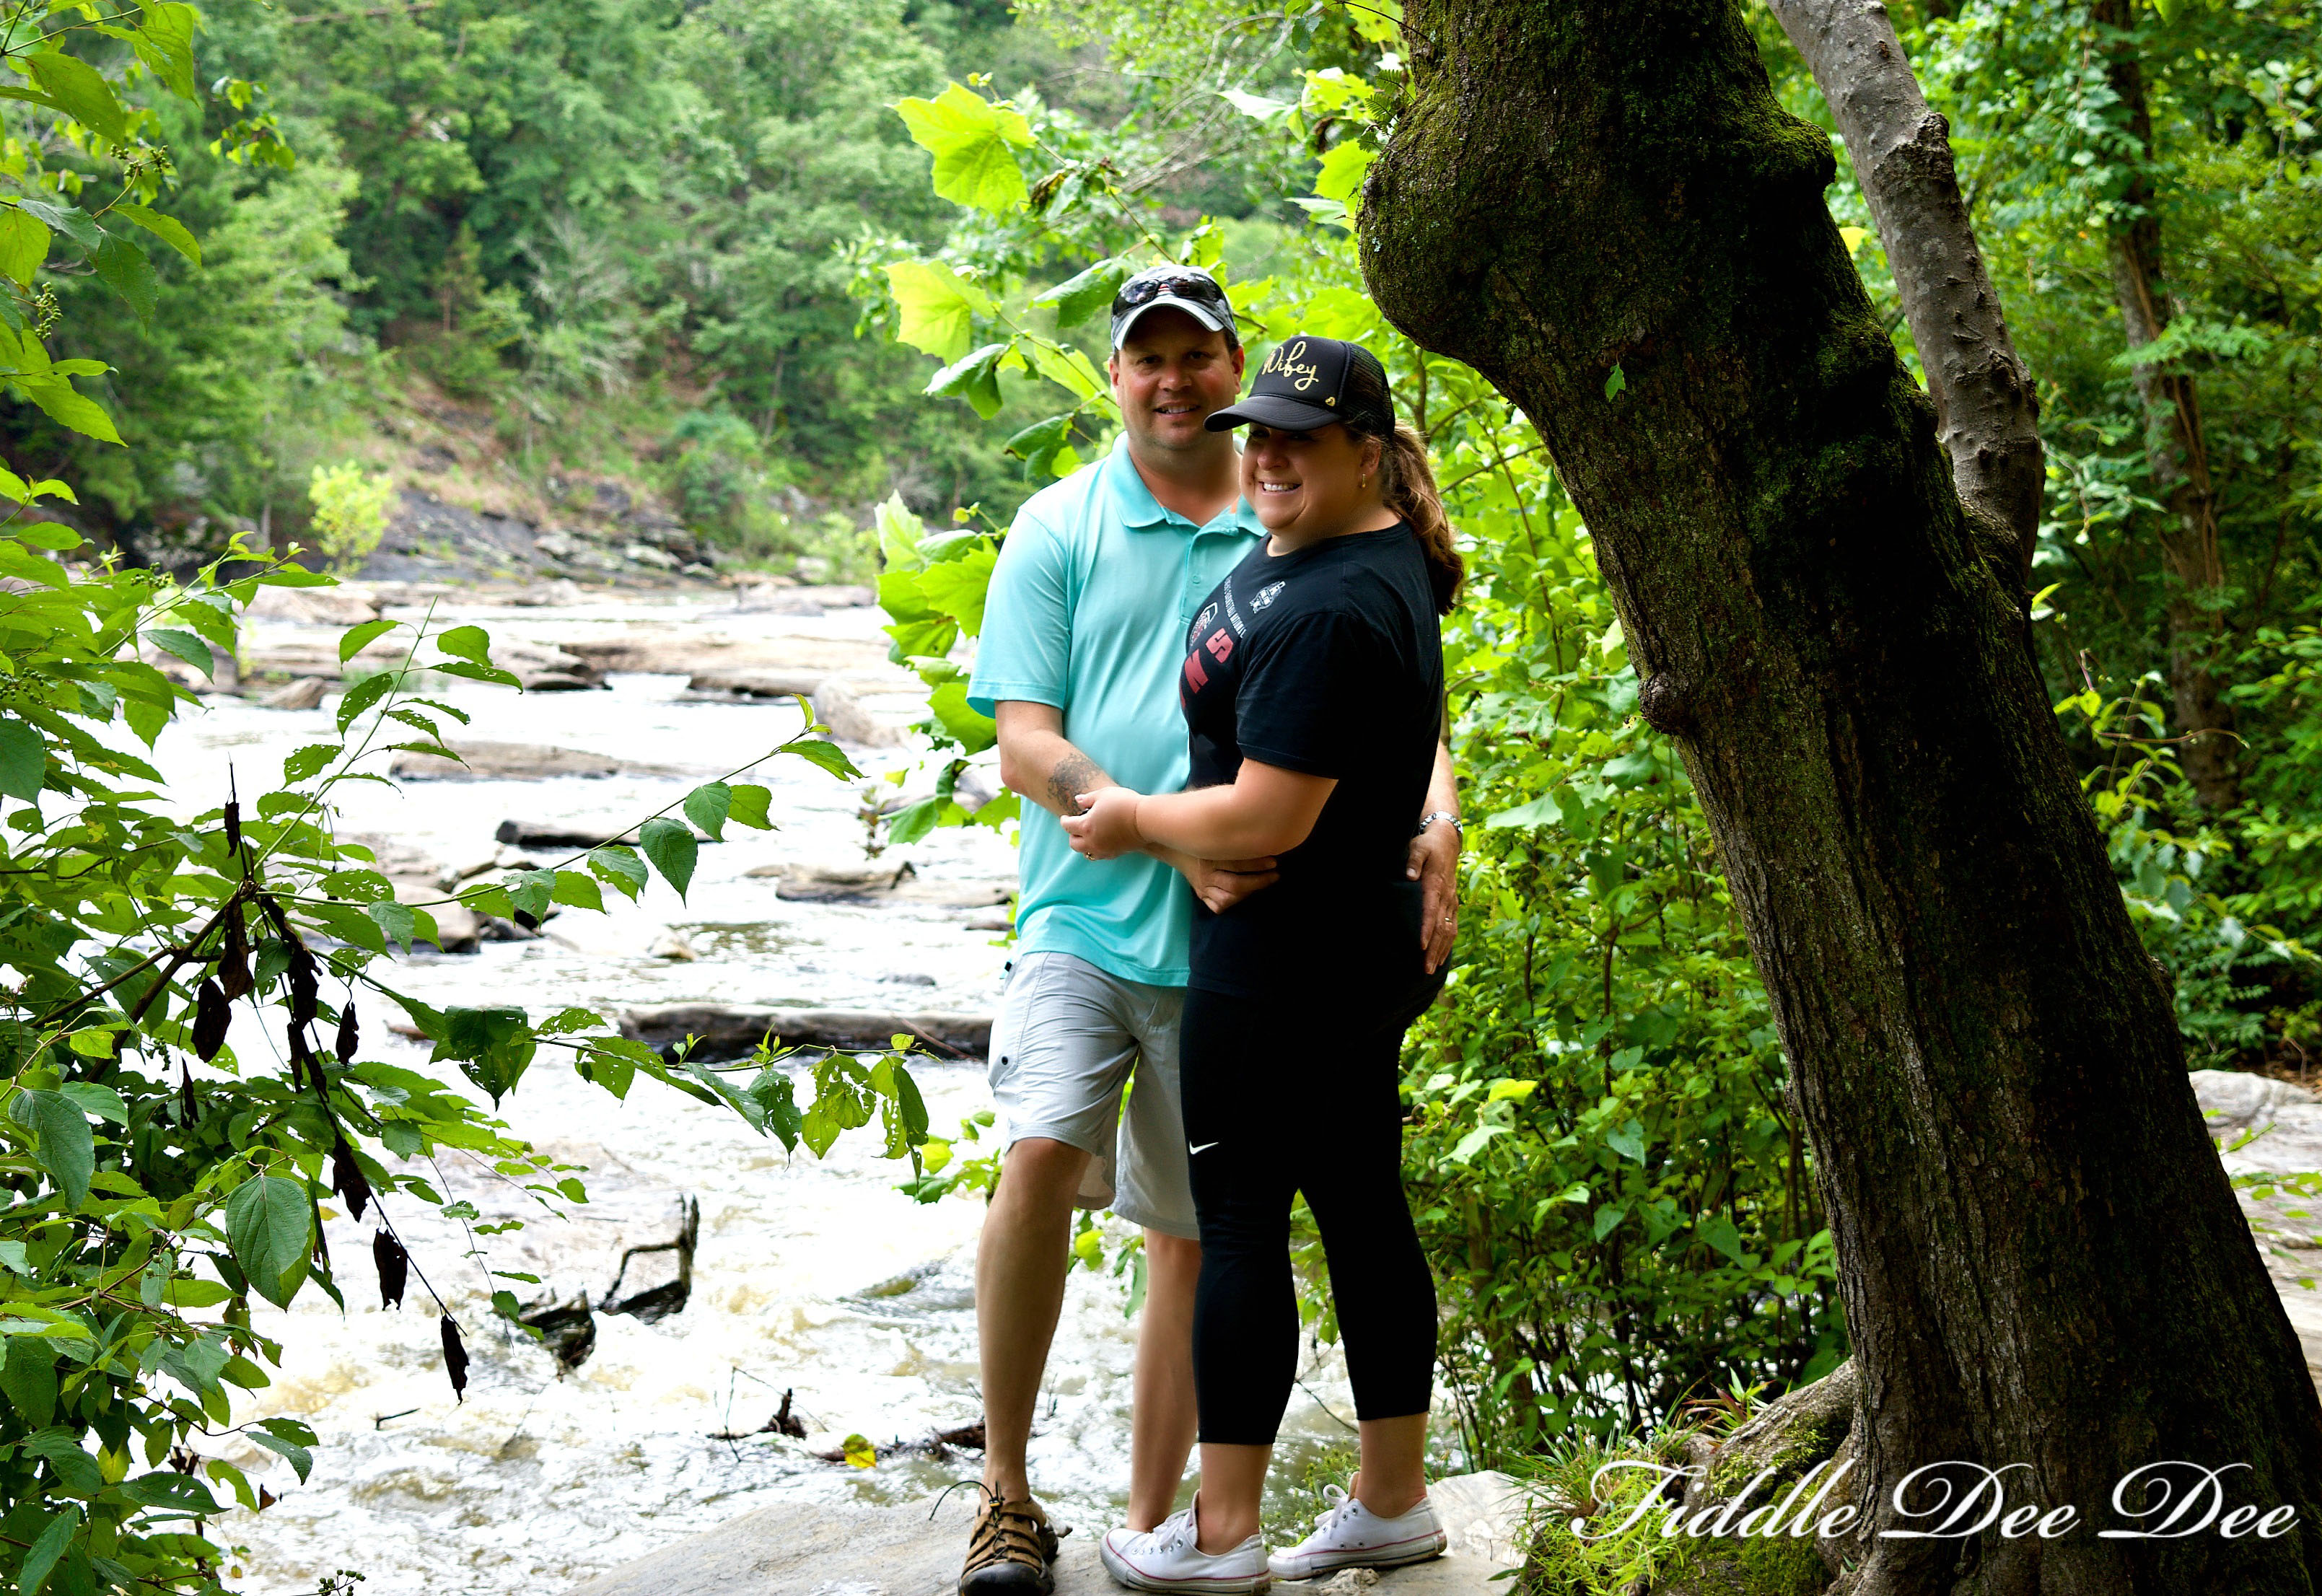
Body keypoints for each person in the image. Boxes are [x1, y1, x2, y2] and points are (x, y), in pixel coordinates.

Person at [960, 277, 1465, 1595]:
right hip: (1092, 920)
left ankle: (1196, 1526)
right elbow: (1023, 739)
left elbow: (1346, 740)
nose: (1180, 387)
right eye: (1150, 360)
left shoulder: (1309, 549)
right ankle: (1007, 1494)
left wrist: (1434, 821)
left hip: (1262, 944)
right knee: (1044, 1166)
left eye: (1202, 361)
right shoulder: (1091, 526)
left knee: (1221, 1226)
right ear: (1115, 376)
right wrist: (1162, 831)